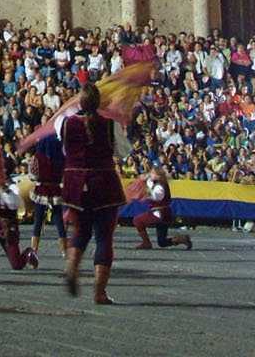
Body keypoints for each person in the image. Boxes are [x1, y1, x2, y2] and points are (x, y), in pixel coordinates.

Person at [60, 82, 130, 305]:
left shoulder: (66, 124)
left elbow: (65, 150)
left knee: (80, 232)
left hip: (75, 184)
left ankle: (72, 267)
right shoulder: (109, 125)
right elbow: (124, 152)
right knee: (104, 238)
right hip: (103, 183)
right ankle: (99, 291)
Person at [28, 133, 67, 257]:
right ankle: (64, 249)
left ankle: (34, 248)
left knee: (38, 219)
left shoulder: (38, 157)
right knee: (58, 219)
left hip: (42, 188)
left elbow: (33, 176)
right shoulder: (61, 157)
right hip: (55, 188)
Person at [133, 165, 190, 249]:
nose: (150, 175)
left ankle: (146, 242)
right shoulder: (157, 183)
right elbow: (149, 181)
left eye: (152, 173)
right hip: (164, 213)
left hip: (159, 213)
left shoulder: (160, 187)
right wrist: (146, 178)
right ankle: (182, 239)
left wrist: (146, 193)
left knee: (137, 220)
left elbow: (157, 197)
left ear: (158, 176)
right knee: (162, 242)